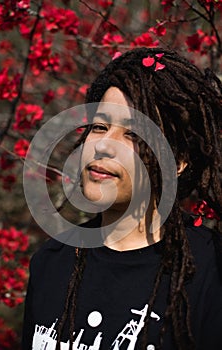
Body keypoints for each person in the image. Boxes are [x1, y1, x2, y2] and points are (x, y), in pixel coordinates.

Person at [22, 47, 222, 350]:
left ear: (178, 160)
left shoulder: (211, 270)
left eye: (134, 135)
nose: (104, 146)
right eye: (99, 127)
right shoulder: (51, 264)